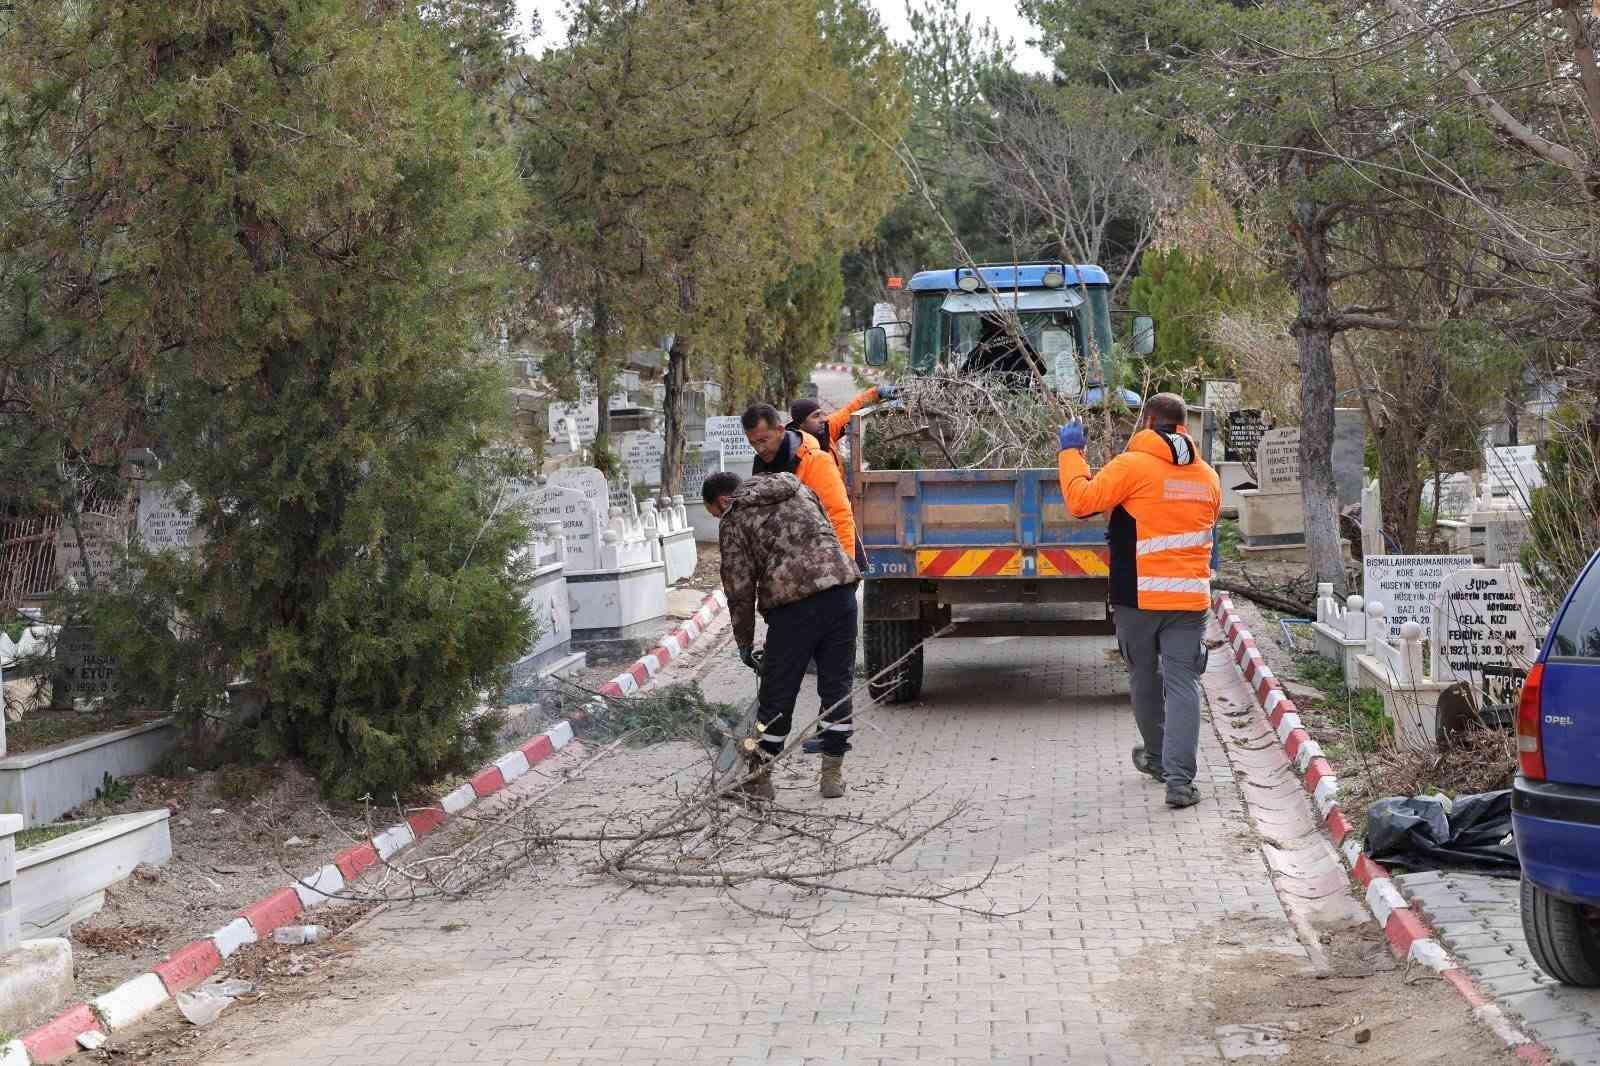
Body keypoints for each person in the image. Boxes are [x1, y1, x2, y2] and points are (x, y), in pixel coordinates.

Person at [1056, 393, 1222, 809]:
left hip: (1137, 598)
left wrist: (1072, 453)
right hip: (1188, 600)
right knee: (1184, 684)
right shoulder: (1208, 477)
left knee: (1144, 678)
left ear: (1148, 420)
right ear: (1184, 426)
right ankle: (1180, 784)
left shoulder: (1132, 467)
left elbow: (1081, 502)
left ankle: (1156, 758)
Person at [704, 470, 860, 799]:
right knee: (837, 687)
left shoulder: (734, 517)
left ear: (721, 500)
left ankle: (760, 779)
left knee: (777, 696)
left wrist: (745, 643)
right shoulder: (798, 486)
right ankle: (832, 776)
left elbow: (739, 588)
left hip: (794, 608)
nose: (719, 518)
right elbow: (827, 531)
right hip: (841, 593)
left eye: (715, 513)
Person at [742, 403, 855, 558]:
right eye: (753, 443)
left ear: (780, 431)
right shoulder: (761, 465)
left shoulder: (814, 460)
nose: (759, 449)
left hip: (823, 561)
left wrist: (846, 568)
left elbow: (838, 516)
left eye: (763, 440)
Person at [789, 383, 901, 478]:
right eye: (816, 416)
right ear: (801, 424)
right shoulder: (795, 454)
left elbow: (849, 411)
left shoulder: (826, 429)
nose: (823, 419)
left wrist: (877, 393)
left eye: (822, 414)